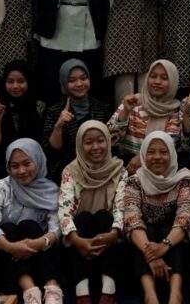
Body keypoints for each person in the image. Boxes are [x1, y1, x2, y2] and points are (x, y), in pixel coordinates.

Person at [0, 139, 62, 304]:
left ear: (38, 160)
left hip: (40, 259)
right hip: (8, 263)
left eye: (27, 163)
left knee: (28, 225)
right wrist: (11, 247)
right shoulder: (1, 187)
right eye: (15, 166)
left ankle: (52, 288)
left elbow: (56, 228)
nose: (21, 171)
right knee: (7, 228)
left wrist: (39, 243)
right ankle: (30, 292)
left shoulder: (51, 190)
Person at [58, 120, 126, 304]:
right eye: (88, 142)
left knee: (104, 216)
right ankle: (82, 293)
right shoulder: (70, 171)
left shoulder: (120, 170)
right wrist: (77, 240)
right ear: (80, 145)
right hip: (78, 246)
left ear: (108, 142)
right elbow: (65, 211)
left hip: (110, 245)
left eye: (100, 141)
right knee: (83, 218)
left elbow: (121, 207)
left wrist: (113, 234)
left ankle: (108, 291)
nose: (95, 147)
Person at [123, 132, 190, 304]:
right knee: (146, 229)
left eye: (163, 152)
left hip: (172, 242)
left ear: (172, 154)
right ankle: (150, 294)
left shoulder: (183, 180)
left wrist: (164, 246)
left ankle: (175, 294)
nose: (157, 157)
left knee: (168, 228)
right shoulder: (134, 181)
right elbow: (132, 218)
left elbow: (184, 217)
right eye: (151, 152)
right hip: (144, 244)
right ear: (143, 155)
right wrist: (153, 254)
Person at [107, 59, 182, 174]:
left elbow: (170, 142)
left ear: (173, 82)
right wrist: (125, 111)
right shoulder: (133, 102)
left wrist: (141, 158)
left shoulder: (175, 110)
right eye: (153, 76)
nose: (157, 81)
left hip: (159, 171)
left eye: (164, 78)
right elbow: (109, 138)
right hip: (126, 167)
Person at [43, 59, 112, 183]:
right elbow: (52, 151)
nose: (79, 84)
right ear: (64, 83)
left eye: (83, 78)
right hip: (67, 171)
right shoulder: (54, 111)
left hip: (98, 167)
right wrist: (59, 125)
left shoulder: (102, 107)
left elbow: (112, 141)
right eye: (72, 80)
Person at [0, 60, 43, 181]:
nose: (15, 86)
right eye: (10, 82)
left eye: (21, 81)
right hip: (4, 165)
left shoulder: (39, 107)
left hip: (32, 165)